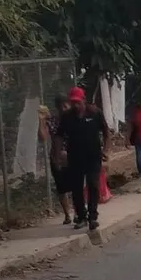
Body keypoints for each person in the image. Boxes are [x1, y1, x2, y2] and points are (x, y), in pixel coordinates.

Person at [55, 86, 109, 231]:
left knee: (93, 185)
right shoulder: (67, 117)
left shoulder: (95, 113)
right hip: (75, 157)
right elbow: (59, 136)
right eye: (73, 102)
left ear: (83, 100)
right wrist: (58, 154)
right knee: (76, 188)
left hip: (93, 156)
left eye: (78, 102)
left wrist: (106, 149)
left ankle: (92, 217)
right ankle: (81, 216)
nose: (75, 105)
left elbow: (105, 131)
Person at [38, 94, 75, 224]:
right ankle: (67, 215)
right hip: (57, 158)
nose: (64, 109)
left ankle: (78, 212)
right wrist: (42, 120)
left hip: (73, 156)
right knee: (61, 188)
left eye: (66, 106)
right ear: (57, 108)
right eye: (61, 107)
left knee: (76, 185)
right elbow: (42, 137)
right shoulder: (53, 121)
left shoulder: (75, 119)